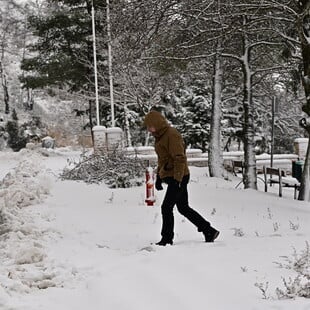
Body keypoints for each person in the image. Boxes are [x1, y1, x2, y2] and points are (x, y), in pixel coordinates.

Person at [143, 110, 219, 246]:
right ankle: (209, 230)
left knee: (167, 208)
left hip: (178, 176)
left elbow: (179, 158)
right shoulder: (160, 136)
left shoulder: (171, 135)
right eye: (147, 127)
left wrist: (177, 181)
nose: (149, 129)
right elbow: (163, 159)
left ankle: (167, 239)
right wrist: (159, 176)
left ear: (157, 124)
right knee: (183, 208)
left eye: (150, 126)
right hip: (172, 176)